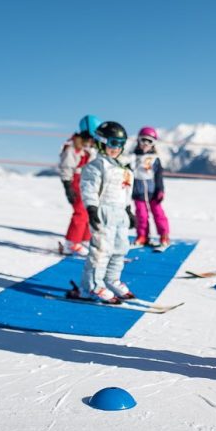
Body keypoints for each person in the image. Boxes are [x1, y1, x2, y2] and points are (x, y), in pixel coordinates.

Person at [70, 121, 137, 303]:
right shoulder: (96, 166)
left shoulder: (125, 168)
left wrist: (129, 210)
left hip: (120, 214)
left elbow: (126, 192)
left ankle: (111, 279)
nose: (117, 148)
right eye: (113, 143)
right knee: (101, 251)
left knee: (120, 249)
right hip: (103, 213)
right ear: (101, 142)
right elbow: (89, 189)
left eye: (121, 144)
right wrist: (92, 209)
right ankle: (91, 286)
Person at [58, 115, 100, 256]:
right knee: (80, 212)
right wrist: (67, 186)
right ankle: (71, 243)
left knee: (90, 210)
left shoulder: (90, 147)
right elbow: (66, 167)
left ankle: (85, 240)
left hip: (88, 181)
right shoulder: (72, 147)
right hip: (76, 181)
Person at [131, 127, 171, 248]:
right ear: (138, 141)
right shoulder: (133, 157)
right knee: (141, 215)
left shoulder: (155, 159)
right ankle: (142, 236)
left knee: (158, 214)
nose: (146, 144)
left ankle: (164, 235)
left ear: (154, 144)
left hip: (152, 191)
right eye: (143, 140)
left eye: (149, 141)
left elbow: (159, 176)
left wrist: (161, 190)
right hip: (138, 191)